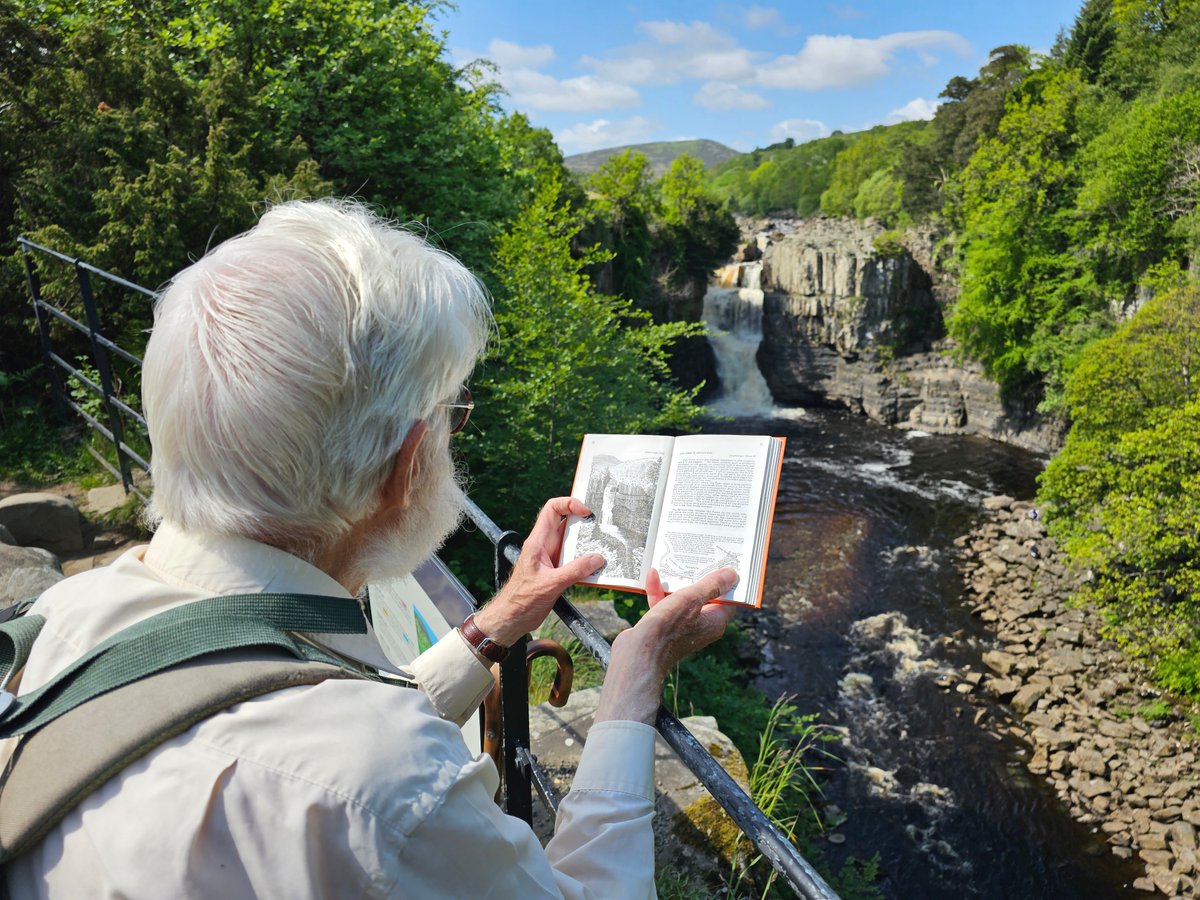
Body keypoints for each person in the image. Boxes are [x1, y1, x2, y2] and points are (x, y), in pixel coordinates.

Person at [2, 199, 737, 898]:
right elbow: (349, 767)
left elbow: (273, 712)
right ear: (404, 469)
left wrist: (498, 620)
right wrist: (634, 675)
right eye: (454, 414)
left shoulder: (60, 620)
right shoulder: (389, 794)